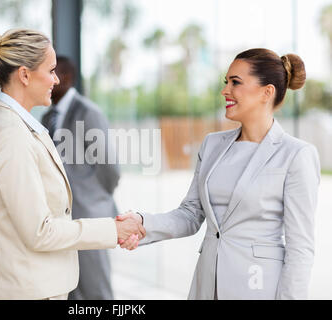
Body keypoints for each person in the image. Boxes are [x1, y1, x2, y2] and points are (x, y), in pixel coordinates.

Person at [118, 48, 320, 300]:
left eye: (236, 82)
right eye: (226, 82)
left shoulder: (296, 155)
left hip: (259, 289)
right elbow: (191, 214)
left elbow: (300, 248)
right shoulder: (212, 145)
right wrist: (142, 223)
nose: (225, 90)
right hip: (207, 285)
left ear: (267, 92)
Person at [0, 28, 144, 300]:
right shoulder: (11, 135)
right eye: (51, 70)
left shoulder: (19, 125)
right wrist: (113, 229)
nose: (56, 79)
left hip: (36, 283)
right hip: (28, 290)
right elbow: (40, 231)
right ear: (25, 75)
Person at [41, 56, 120, 300]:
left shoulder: (88, 112)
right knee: (69, 290)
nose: (50, 80)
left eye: (53, 72)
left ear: (67, 77)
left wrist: (95, 200)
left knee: (96, 290)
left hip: (90, 215)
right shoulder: (46, 118)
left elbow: (110, 169)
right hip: (60, 221)